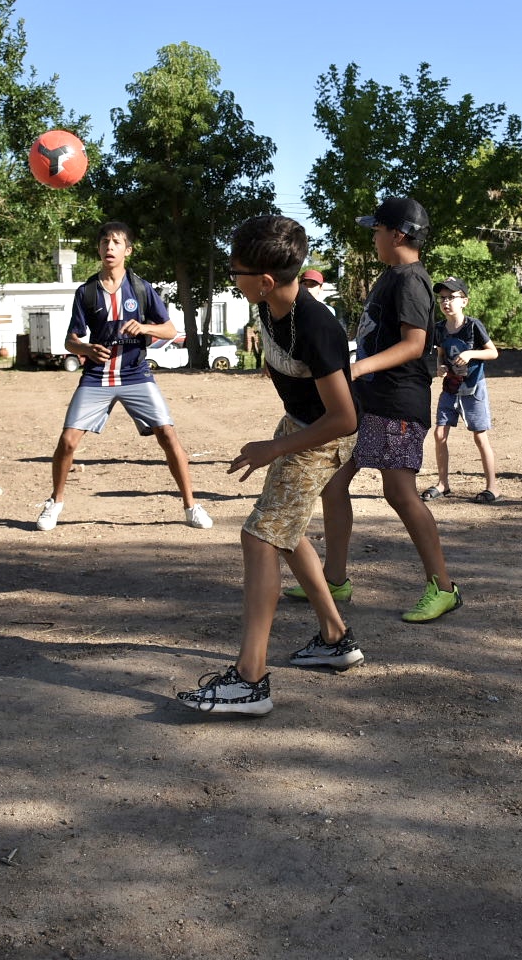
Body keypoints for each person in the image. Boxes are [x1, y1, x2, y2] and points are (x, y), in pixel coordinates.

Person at [177, 216, 360, 715]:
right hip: (298, 427)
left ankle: (249, 681)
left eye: (236, 271)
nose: (230, 277)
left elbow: (344, 419)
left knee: (259, 537)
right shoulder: (271, 307)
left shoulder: (317, 326)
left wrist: (273, 449)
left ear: (264, 281)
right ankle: (335, 637)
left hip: (323, 440)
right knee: (283, 529)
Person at [286, 196, 462, 623]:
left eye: (378, 229)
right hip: (371, 401)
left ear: (398, 234)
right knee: (333, 484)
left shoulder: (411, 281)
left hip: (398, 402)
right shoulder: (392, 277)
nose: (374, 236)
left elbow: (415, 344)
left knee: (399, 493)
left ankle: (443, 587)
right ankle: (335, 579)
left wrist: (358, 366)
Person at [35, 221, 213, 532]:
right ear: (98, 249)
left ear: (127, 251)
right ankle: (54, 503)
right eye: (104, 242)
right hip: (96, 377)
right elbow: (70, 340)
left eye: (116, 243)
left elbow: (170, 330)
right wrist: (85, 347)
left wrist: (145, 328)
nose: (109, 248)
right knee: (67, 441)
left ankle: (191, 506)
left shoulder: (142, 289)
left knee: (168, 435)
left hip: (136, 375)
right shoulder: (86, 292)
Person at [421, 277, 500, 504]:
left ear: (464, 301)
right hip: (450, 389)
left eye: (452, 298)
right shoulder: (438, 329)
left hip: (473, 388)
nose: (446, 302)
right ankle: (443, 483)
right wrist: (440, 367)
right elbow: (441, 355)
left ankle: (492, 487)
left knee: (479, 436)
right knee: (439, 434)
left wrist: (470, 354)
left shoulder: (473, 326)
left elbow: (493, 353)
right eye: (442, 298)